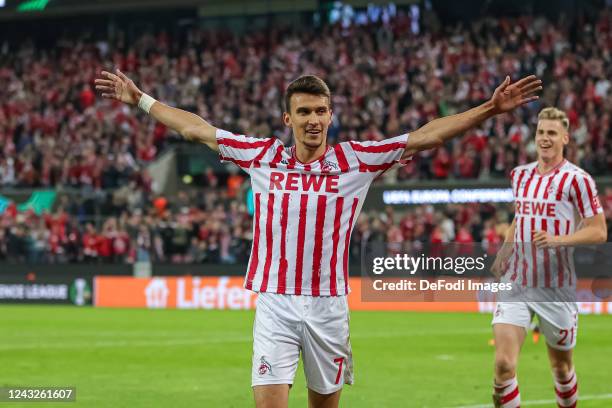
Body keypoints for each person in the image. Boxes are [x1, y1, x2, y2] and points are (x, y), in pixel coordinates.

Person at [95, 68, 541, 408]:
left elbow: (427, 136)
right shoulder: (261, 154)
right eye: (304, 111)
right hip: (275, 302)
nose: (313, 120)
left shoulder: (357, 160)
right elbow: (196, 128)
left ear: (331, 115)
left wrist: (489, 108)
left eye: (320, 111)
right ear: (287, 117)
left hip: (329, 307)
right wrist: (140, 99)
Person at [490, 107, 607, 408]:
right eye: (541, 132)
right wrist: (505, 249)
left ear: (565, 138)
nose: (544, 138)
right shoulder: (520, 175)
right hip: (516, 281)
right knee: (503, 365)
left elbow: (598, 231)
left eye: (552, 133)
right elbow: (521, 216)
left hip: (556, 288)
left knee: (561, 368)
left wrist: (558, 240)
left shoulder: (578, 180)